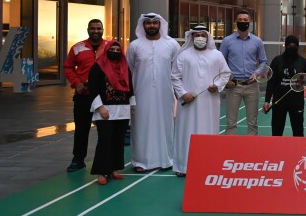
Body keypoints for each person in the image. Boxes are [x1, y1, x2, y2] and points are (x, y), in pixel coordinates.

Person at [171, 25, 230, 177]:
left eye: (203, 35)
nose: (199, 38)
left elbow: (225, 74)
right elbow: (175, 77)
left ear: (207, 37)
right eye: (196, 35)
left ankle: (208, 165)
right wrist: (183, 94)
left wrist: (216, 86)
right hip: (188, 104)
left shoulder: (217, 55)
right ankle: (184, 166)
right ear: (191, 37)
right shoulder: (183, 55)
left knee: (208, 132)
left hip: (210, 103)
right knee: (186, 132)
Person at [127, 13, 180, 172]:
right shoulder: (135, 45)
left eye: (154, 23)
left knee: (165, 125)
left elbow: (177, 69)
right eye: (148, 23)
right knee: (141, 126)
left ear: (160, 25)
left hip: (165, 93)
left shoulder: (172, 44)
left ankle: (166, 159)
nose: (151, 26)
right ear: (143, 26)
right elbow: (129, 69)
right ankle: (140, 162)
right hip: (140, 93)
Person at [64, 19, 110, 172]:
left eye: (98, 28)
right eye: (93, 28)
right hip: (83, 95)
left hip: (104, 97)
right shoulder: (77, 48)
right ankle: (78, 159)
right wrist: (76, 82)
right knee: (81, 129)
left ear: (102, 29)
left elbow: (119, 66)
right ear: (88, 30)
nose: (96, 31)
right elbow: (68, 67)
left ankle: (107, 162)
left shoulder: (110, 47)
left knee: (105, 131)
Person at [87, 41, 133, 185]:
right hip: (105, 110)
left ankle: (114, 168)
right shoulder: (98, 67)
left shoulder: (125, 67)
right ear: (106, 51)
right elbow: (93, 88)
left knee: (118, 140)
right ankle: (102, 172)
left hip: (123, 110)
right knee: (105, 140)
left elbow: (130, 88)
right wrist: (100, 108)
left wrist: (132, 106)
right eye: (112, 49)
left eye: (117, 49)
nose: (115, 51)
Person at [220, 10, 268, 135]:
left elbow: (263, 61)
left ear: (250, 22)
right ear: (236, 22)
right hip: (233, 86)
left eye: (245, 20)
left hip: (252, 86)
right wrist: (227, 79)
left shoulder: (257, 41)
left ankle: (250, 151)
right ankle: (230, 151)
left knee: (252, 122)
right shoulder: (227, 41)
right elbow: (220, 62)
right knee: (231, 122)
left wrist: (257, 73)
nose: (242, 22)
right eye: (240, 20)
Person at [263, 36, 306, 136]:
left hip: (297, 102)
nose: (292, 47)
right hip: (279, 101)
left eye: (294, 46)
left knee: (298, 132)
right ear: (285, 46)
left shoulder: (303, 62)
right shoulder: (277, 61)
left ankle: (298, 150)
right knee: (277, 131)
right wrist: (267, 100)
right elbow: (271, 82)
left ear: (297, 46)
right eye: (289, 45)